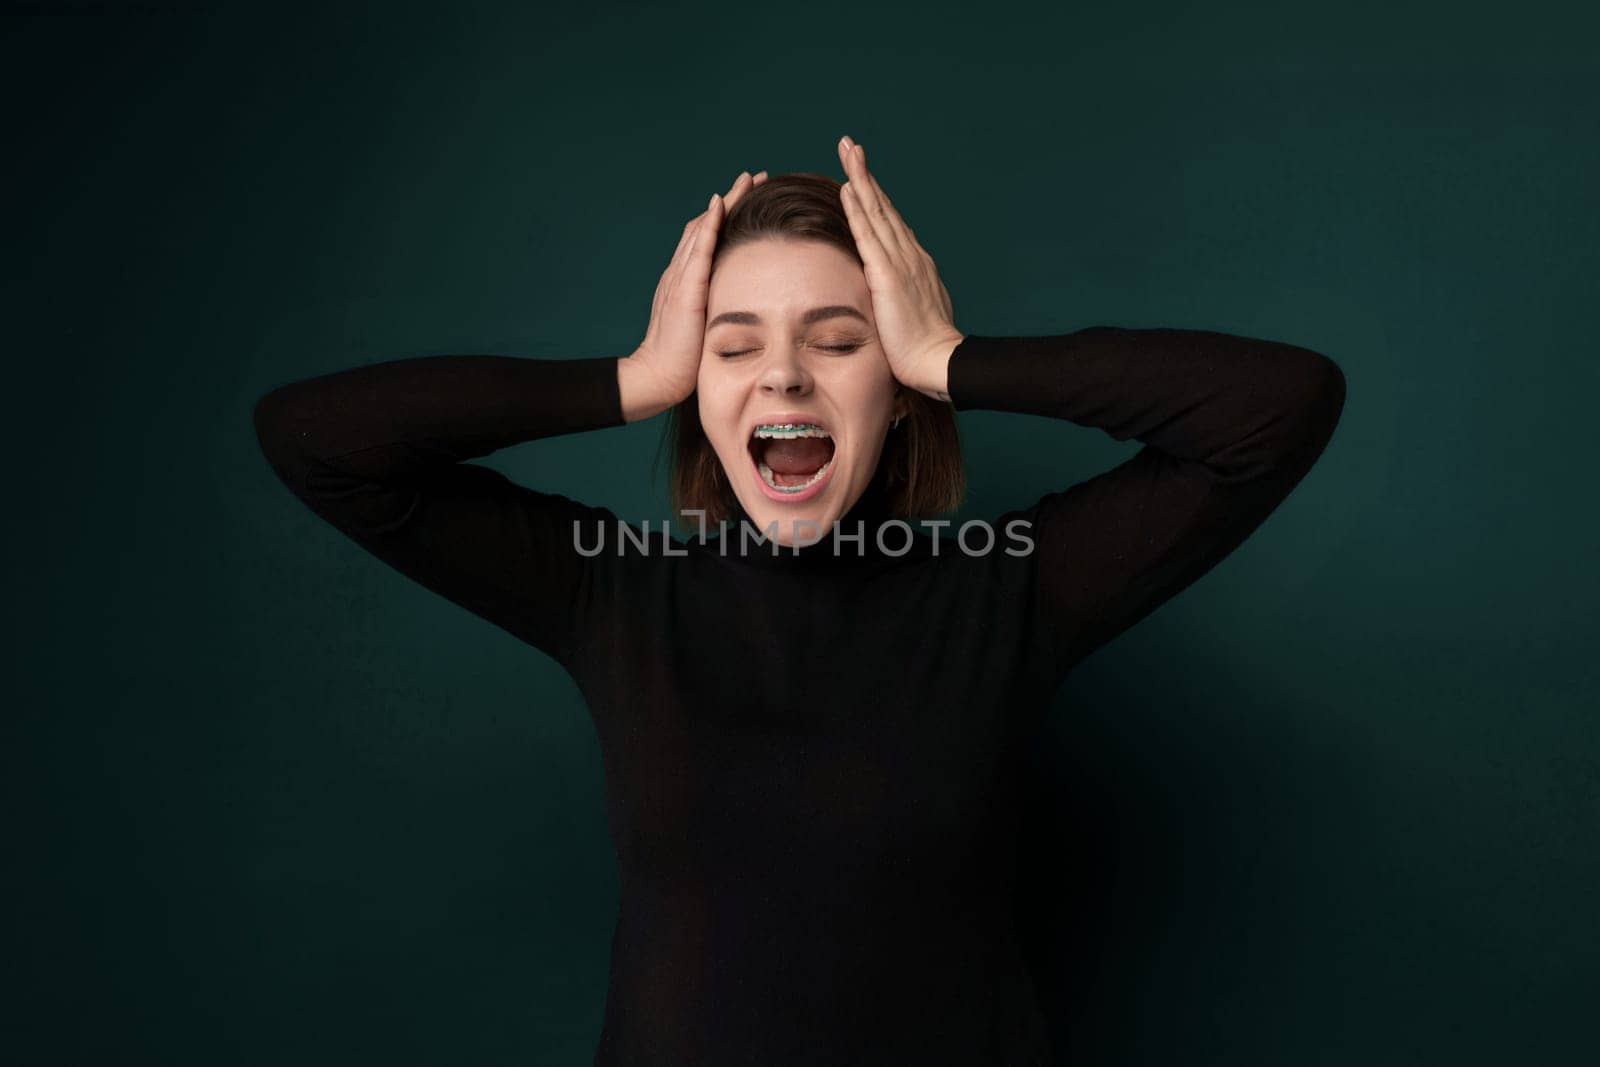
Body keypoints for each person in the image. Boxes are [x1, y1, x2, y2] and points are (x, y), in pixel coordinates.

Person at [253, 134, 1346, 1065]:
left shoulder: (1010, 583)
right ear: (700, 393)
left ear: (901, 397)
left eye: (836, 339)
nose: (781, 376)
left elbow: (1278, 407)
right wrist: (628, 377)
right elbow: (316, 438)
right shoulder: (611, 586)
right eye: (734, 346)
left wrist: (953, 355)